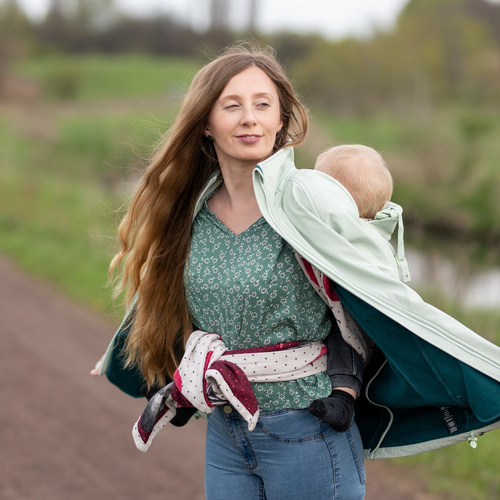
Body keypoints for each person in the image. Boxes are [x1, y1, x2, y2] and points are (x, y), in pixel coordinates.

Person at [94, 42, 500, 500]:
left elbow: (382, 286)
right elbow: (164, 300)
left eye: (262, 104)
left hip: (307, 431)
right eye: (232, 105)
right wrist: (123, 356)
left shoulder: (309, 198)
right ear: (207, 124)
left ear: (281, 119)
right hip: (227, 432)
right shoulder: (192, 213)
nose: (249, 117)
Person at [307, 144, 398, 432]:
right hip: (325, 306)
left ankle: (344, 398)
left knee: (343, 338)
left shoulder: (363, 239)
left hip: (356, 326)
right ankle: (181, 385)